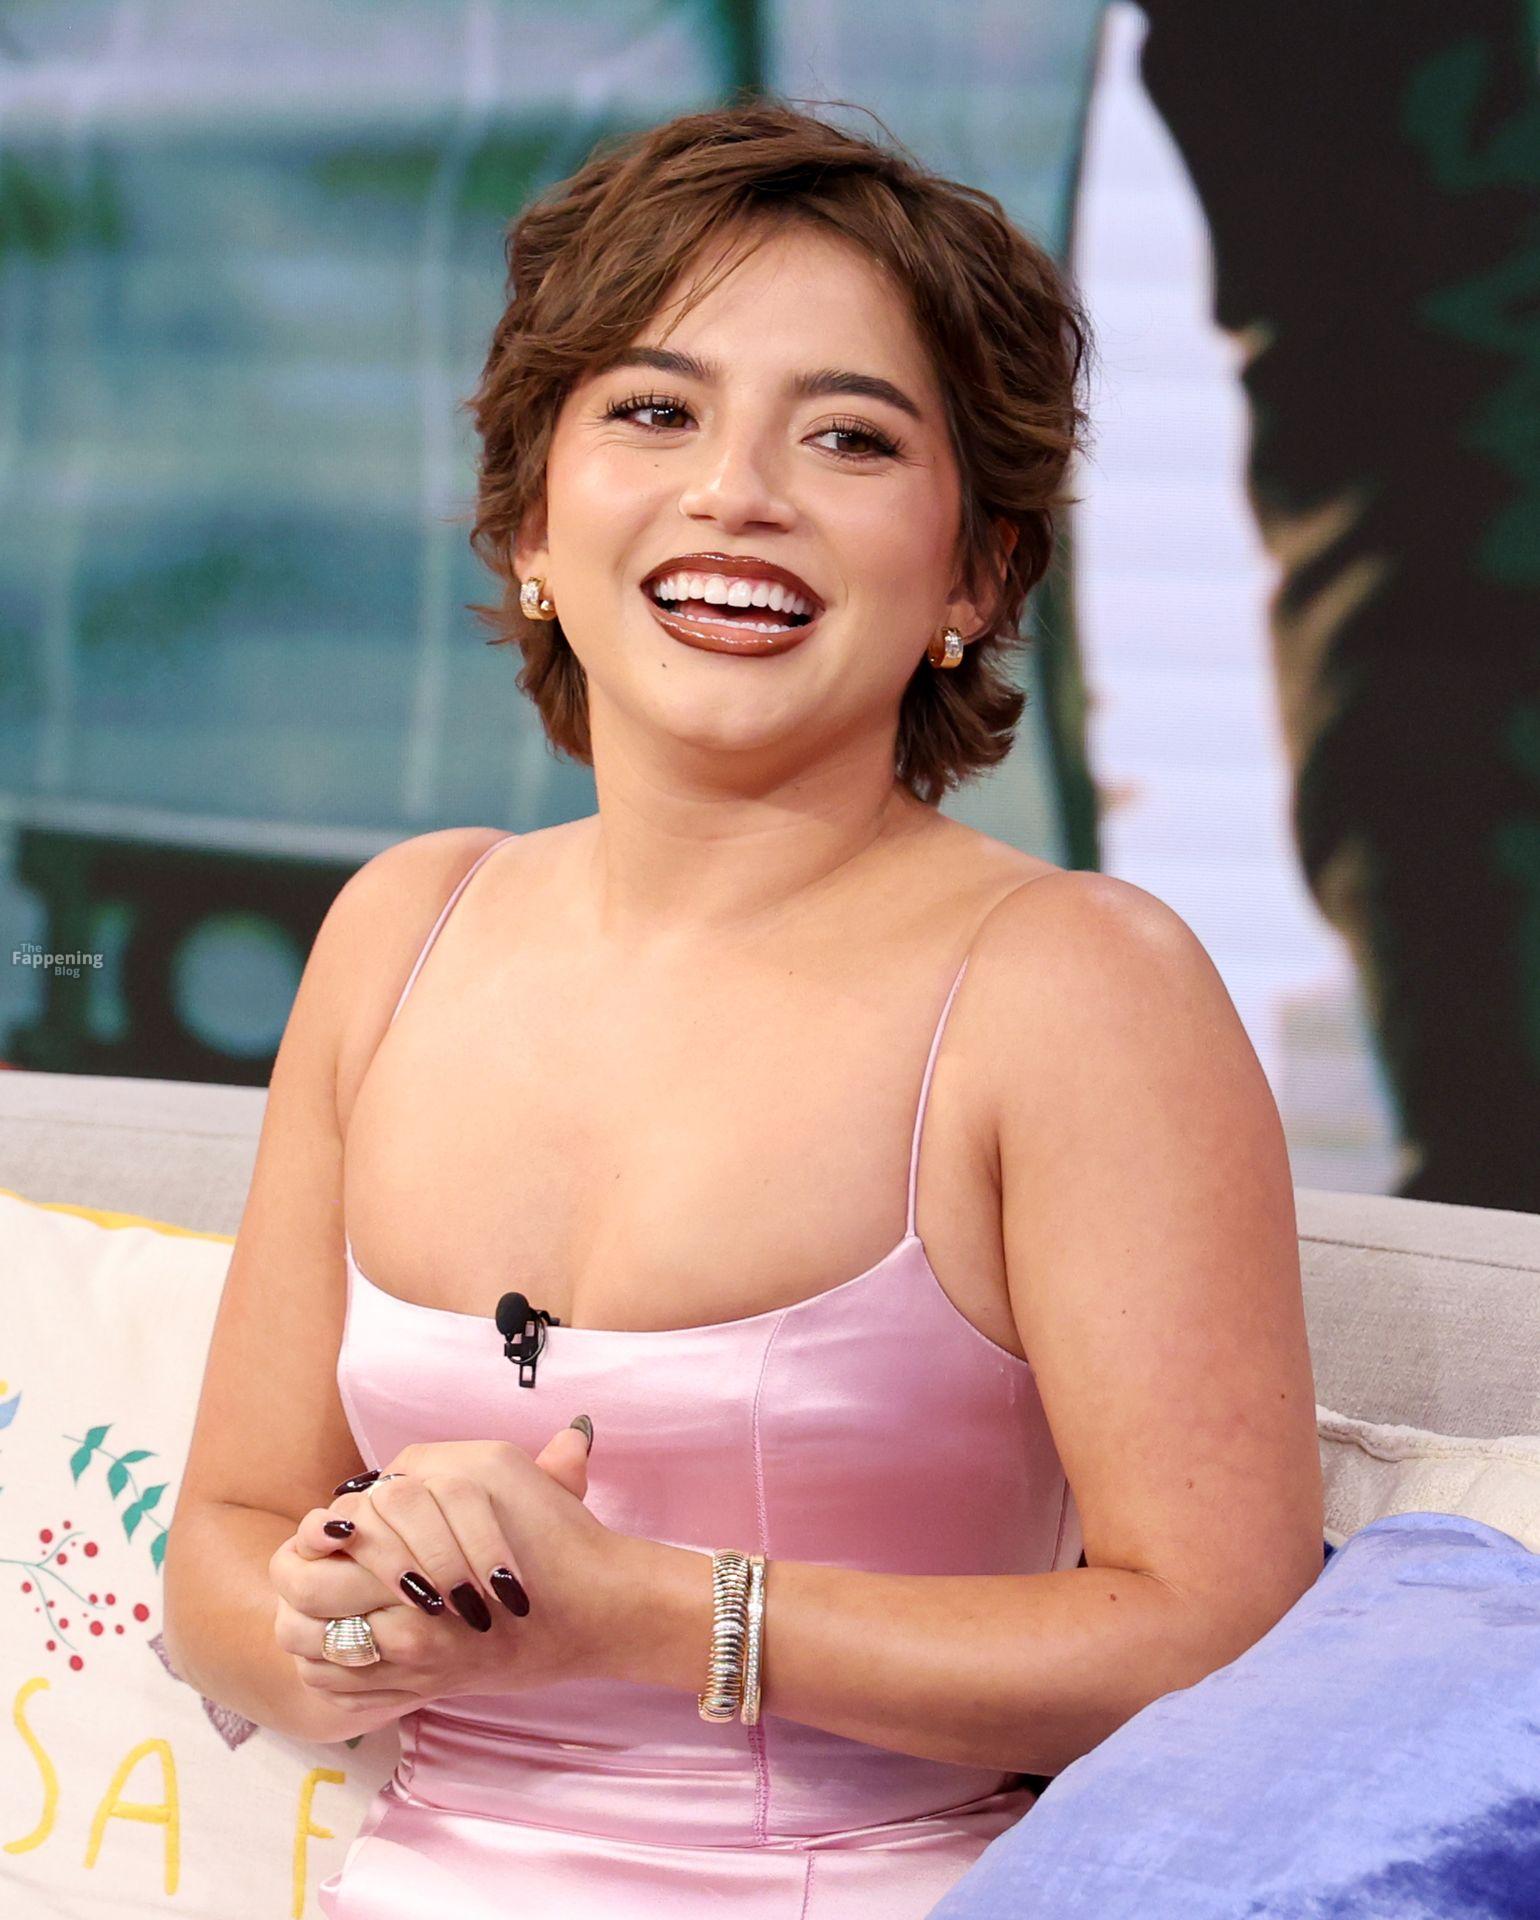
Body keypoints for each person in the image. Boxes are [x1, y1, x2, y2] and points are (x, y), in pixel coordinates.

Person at [162, 98, 1324, 1920]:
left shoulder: (1080, 986)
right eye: (654, 410)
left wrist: (653, 1614)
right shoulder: (401, 928)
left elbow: (1220, 1640)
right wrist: (341, 1622)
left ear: (976, 571)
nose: (737, 493)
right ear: (528, 515)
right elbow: (225, 1544)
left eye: (850, 435)